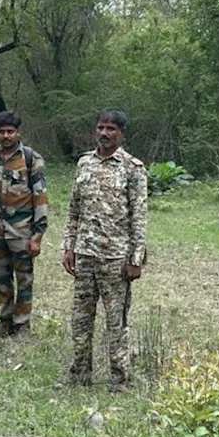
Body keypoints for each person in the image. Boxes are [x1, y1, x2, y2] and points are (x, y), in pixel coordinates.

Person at [61, 108, 148, 392]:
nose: (104, 133)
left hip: (115, 259)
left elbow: (139, 216)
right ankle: (80, 374)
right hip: (85, 254)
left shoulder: (133, 169)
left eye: (111, 129)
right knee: (81, 319)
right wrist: (69, 246)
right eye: (100, 127)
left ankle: (119, 379)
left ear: (121, 134)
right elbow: (74, 209)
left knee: (116, 322)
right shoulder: (84, 163)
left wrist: (135, 259)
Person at [0, 110, 48, 338]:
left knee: (24, 279)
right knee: (1, 278)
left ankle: (22, 325)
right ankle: (6, 321)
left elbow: (40, 198)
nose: (6, 136)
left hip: (22, 231)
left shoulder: (31, 159)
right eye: (2, 132)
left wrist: (37, 235)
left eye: (10, 131)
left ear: (18, 133)